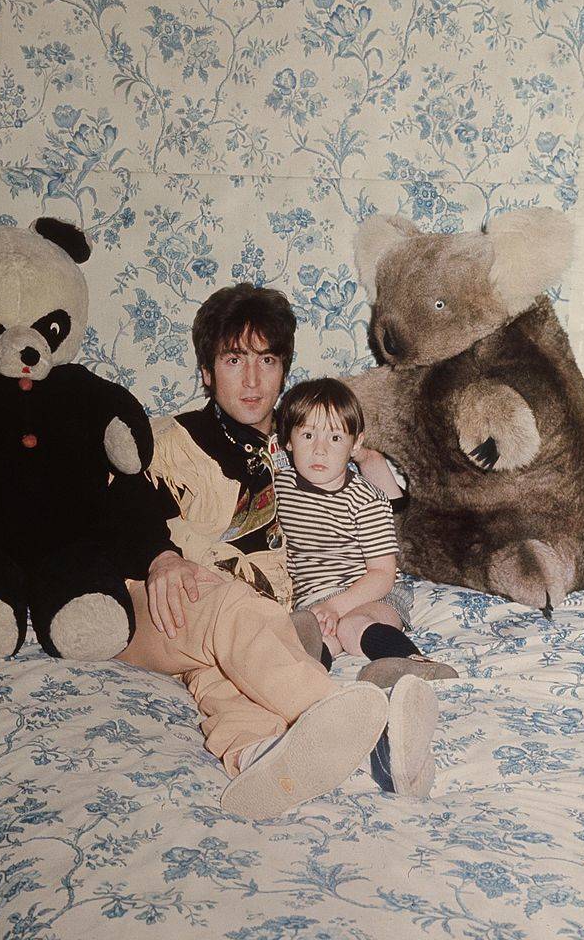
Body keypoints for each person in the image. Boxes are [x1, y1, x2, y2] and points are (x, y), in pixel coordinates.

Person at [109, 284, 440, 816]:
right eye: (234, 359)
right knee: (228, 603)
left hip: (240, 627)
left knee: (232, 674)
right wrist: (160, 557)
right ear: (206, 371)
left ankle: (261, 756)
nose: (252, 379)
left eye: (267, 360)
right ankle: (367, 729)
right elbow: (113, 502)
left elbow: (364, 519)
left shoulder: (300, 447)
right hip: (159, 604)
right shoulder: (168, 439)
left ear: (284, 371)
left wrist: (386, 484)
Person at [274, 377, 458, 690]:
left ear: (355, 444)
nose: (319, 450)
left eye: (334, 437)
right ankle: (305, 685)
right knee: (316, 638)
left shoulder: (367, 499)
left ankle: (415, 665)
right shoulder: (280, 488)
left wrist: (337, 606)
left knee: (351, 626)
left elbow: (382, 574)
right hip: (313, 599)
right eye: (307, 435)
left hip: (371, 592)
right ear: (288, 440)